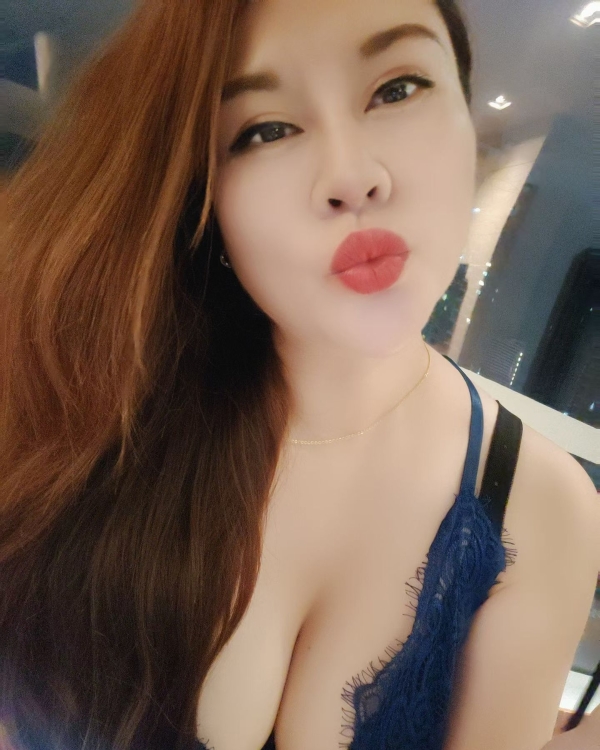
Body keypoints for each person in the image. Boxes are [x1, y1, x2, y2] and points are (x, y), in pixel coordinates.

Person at [1, 0, 598, 749]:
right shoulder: (87, 404)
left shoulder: (540, 508)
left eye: (398, 88)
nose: (351, 178)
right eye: (265, 130)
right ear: (203, 194)